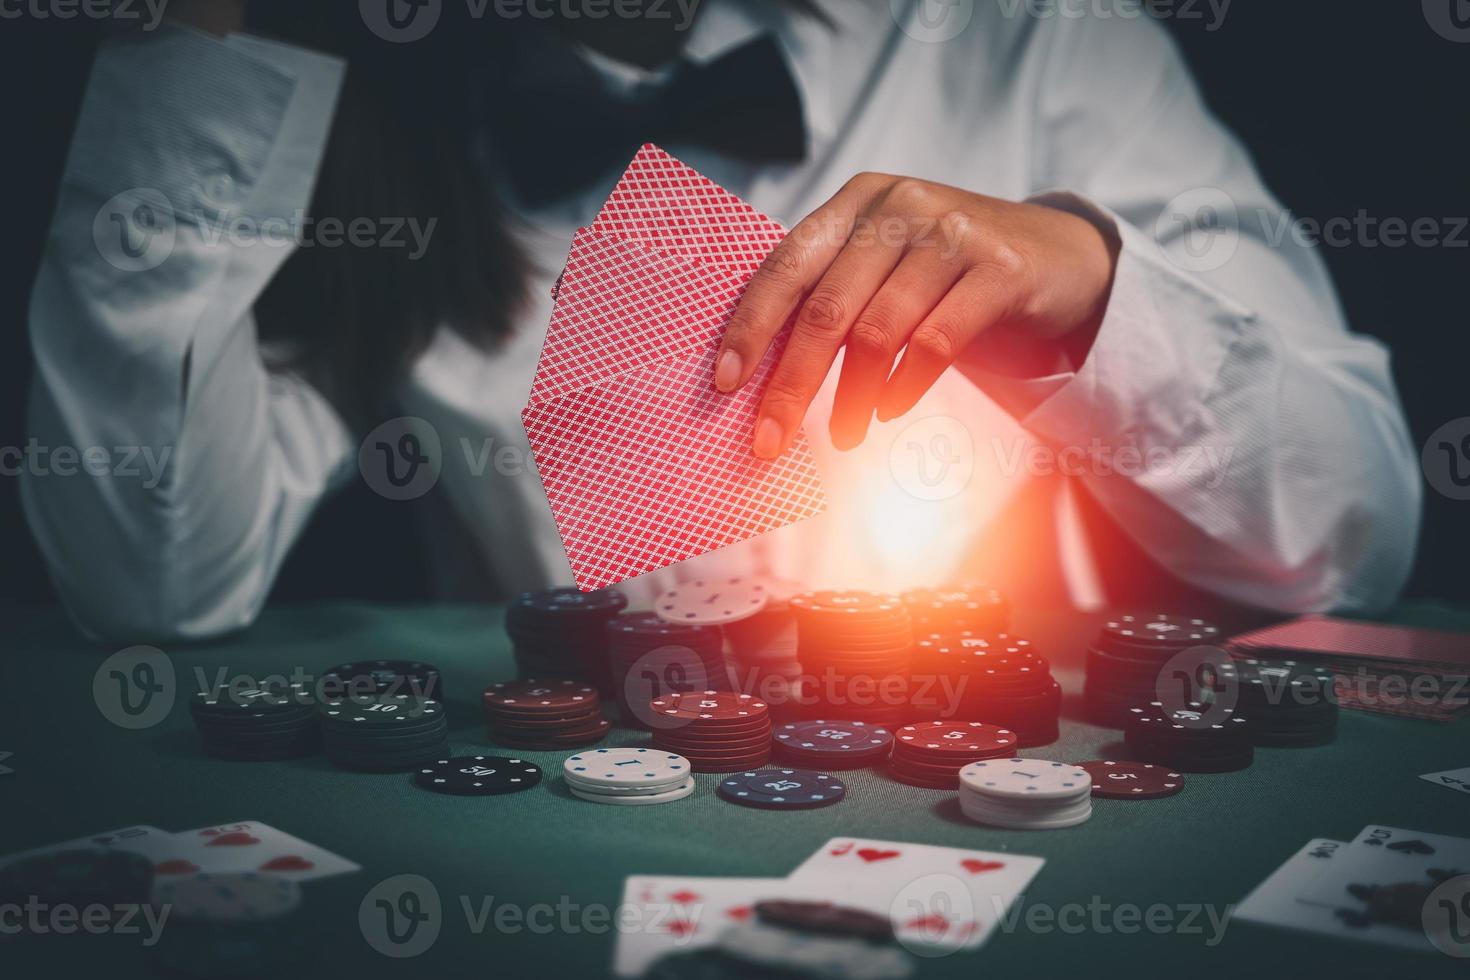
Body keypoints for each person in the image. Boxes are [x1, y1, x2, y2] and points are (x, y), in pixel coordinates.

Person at [23, 0, 1420, 642]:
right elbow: (155, 588)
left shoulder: (1036, 33)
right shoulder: (361, 120)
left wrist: (1090, 294)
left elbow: (1352, 537)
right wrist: (195, 44)